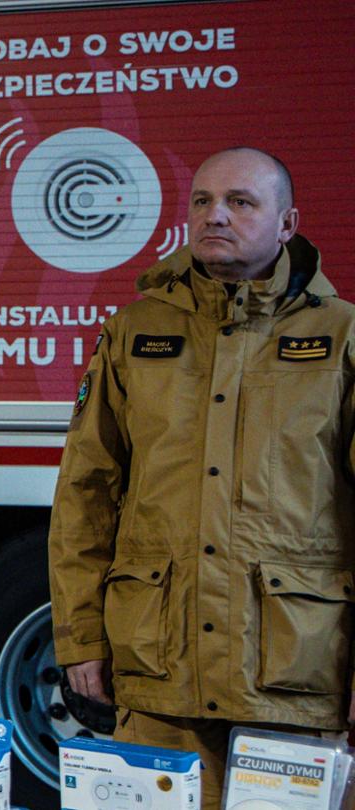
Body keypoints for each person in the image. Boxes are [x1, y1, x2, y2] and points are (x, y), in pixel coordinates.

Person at [50, 147, 352, 810]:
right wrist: (81, 638)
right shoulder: (133, 332)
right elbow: (84, 498)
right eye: (203, 201)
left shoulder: (342, 337)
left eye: (241, 202)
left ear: (287, 223)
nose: (215, 215)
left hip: (293, 681)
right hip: (159, 672)